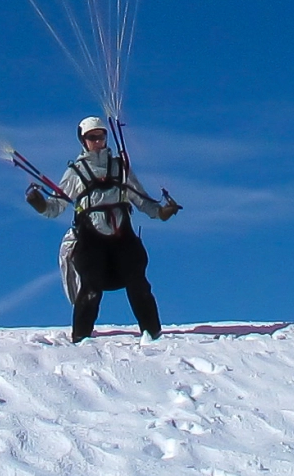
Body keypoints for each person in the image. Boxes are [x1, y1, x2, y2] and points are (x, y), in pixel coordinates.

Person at [26, 117, 180, 342]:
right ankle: (81, 338)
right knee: (90, 287)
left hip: (122, 238)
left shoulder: (119, 167)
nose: (98, 141)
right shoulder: (77, 172)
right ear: (83, 140)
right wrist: (38, 203)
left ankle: (153, 334)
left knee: (138, 282)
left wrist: (161, 212)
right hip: (92, 239)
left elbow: (140, 198)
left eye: (101, 136)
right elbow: (55, 207)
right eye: (92, 137)